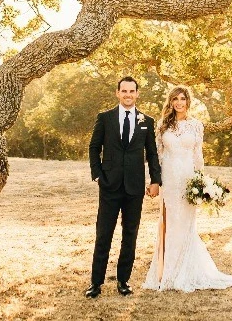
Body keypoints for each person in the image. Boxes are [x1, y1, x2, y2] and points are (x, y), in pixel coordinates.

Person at [142, 85, 232, 292]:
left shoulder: (196, 125)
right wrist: (154, 181)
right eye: (175, 99)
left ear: (188, 101)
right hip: (169, 180)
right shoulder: (162, 126)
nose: (179, 102)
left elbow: (198, 156)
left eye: (182, 99)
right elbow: (157, 156)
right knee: (169, 224)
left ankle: (185, 271)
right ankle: (166, 273)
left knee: (186, 225)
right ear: (170, 102)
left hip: (188, 180)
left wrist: (201, 182)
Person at [85, 76, 162, 298]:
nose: (128, 95)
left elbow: (152, 153)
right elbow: (93, 148)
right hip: (109, 185)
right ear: (117, 93)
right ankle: (96, 282)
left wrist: (155, 180)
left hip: (134, 187)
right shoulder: (105, 118)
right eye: (124, 91)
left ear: (137, 94)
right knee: (104, 234)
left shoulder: (147, 121)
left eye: (132, 91)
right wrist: (98, 176)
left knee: (130, 234)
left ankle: (123, 280)